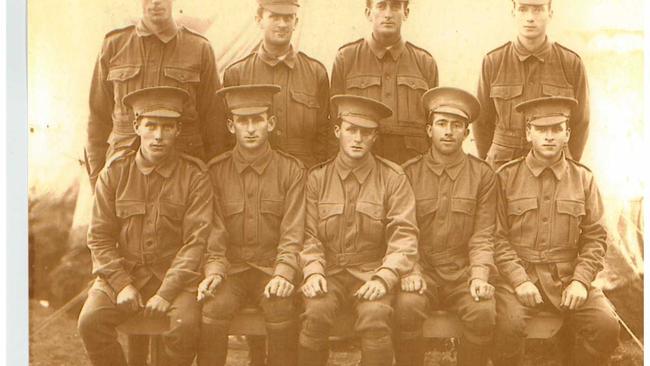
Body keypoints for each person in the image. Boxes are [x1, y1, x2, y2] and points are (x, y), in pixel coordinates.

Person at [77, 86, 211, 366]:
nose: (159, 136)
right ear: (137, 126)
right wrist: (122, 284)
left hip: (174, 278)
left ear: (177, 130)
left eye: (167, 126)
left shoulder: (195, 176)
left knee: (185, 327)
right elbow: (99, 238)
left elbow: (196, 242)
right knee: (90, 321)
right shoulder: (113, 173)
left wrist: (166, 293)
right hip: (124, 275)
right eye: (151, 125)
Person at [492, 96, 619, 365]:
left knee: (606, 326)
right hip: (520, 279)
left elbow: (596, 238)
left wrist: (581, 281)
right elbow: (496, 238)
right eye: (541, 129)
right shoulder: (506, 177)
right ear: (529, 133)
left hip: (567, 278)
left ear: (567, 134)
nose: (549, 137)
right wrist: (518, 280)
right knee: (507, 326)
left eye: (556, 129)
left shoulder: (584, 179)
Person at [298, 95, 419, 366]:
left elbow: (404, 236)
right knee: (316, 312)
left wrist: (384, 277)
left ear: (375, 137)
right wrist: (314, 271)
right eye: (351, 129)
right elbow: (308, 235)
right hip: (328, 271)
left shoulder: (392, 178)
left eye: (366, 132)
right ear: (338, 131)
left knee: (375, 315)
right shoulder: (317, 178)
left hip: (371, 271)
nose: (358, 139)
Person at [197, 85, 305, 366]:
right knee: (214, 305)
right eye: (243, 121)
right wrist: (215, 271)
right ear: (231, 126)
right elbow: (213, 231)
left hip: (271, 268)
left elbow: (293, 231)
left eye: (257, 120)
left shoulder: (291, 170)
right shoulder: (216, 171)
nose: (251, 129)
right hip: (231, 270)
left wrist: (283, 274)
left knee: (280, 306)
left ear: (270, 123)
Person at [395, 87, 497, 366]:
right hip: (422, 269)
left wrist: (478, 276)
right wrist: (411, 270)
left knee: (482, 311)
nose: (449, 131)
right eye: (441, 123)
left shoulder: (483, 175)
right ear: (429, 129)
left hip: (462, 270)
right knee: (406, 306)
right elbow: (402, 230)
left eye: (457, 125)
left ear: (466, 133)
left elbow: (484, 234)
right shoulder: (408, 172)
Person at [86, 0, 225, 190]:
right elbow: (97, 118)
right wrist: (97, 178)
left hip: (183, 178)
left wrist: (212, 182)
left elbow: (214, 123)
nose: (155, 2)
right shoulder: (114, 46)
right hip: (123, 176)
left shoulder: (199, 48)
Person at [473, 0, 589, 169]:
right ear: (513, 11)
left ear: (550, 12)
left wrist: (567, 166)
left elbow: (580, 123)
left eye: (538, 9)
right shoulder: (494, 62)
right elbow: (481, 122)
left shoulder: (570, 63)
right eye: (522, 9)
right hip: (502, 167)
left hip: (554, 168)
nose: (530, 17)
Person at [223, 0, 332, 168]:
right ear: (259, 20)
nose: (282, 24)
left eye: (288, 18)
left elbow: (324, 134)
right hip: (254, 175)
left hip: (305, 174)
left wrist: (316, 175)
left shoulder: (316, 73)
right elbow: (229, 138)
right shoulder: (237, 73)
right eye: (274, 17)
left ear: (296, 22)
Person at [330, 0, 439, 164]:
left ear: (406, 13)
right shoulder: (347, 58)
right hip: (362, 164)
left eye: (395, 7)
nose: (388, 14)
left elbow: (434, 122)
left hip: (412, 165)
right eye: (381, 6)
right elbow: (334, 119)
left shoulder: (425, 62)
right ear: (368, 13)